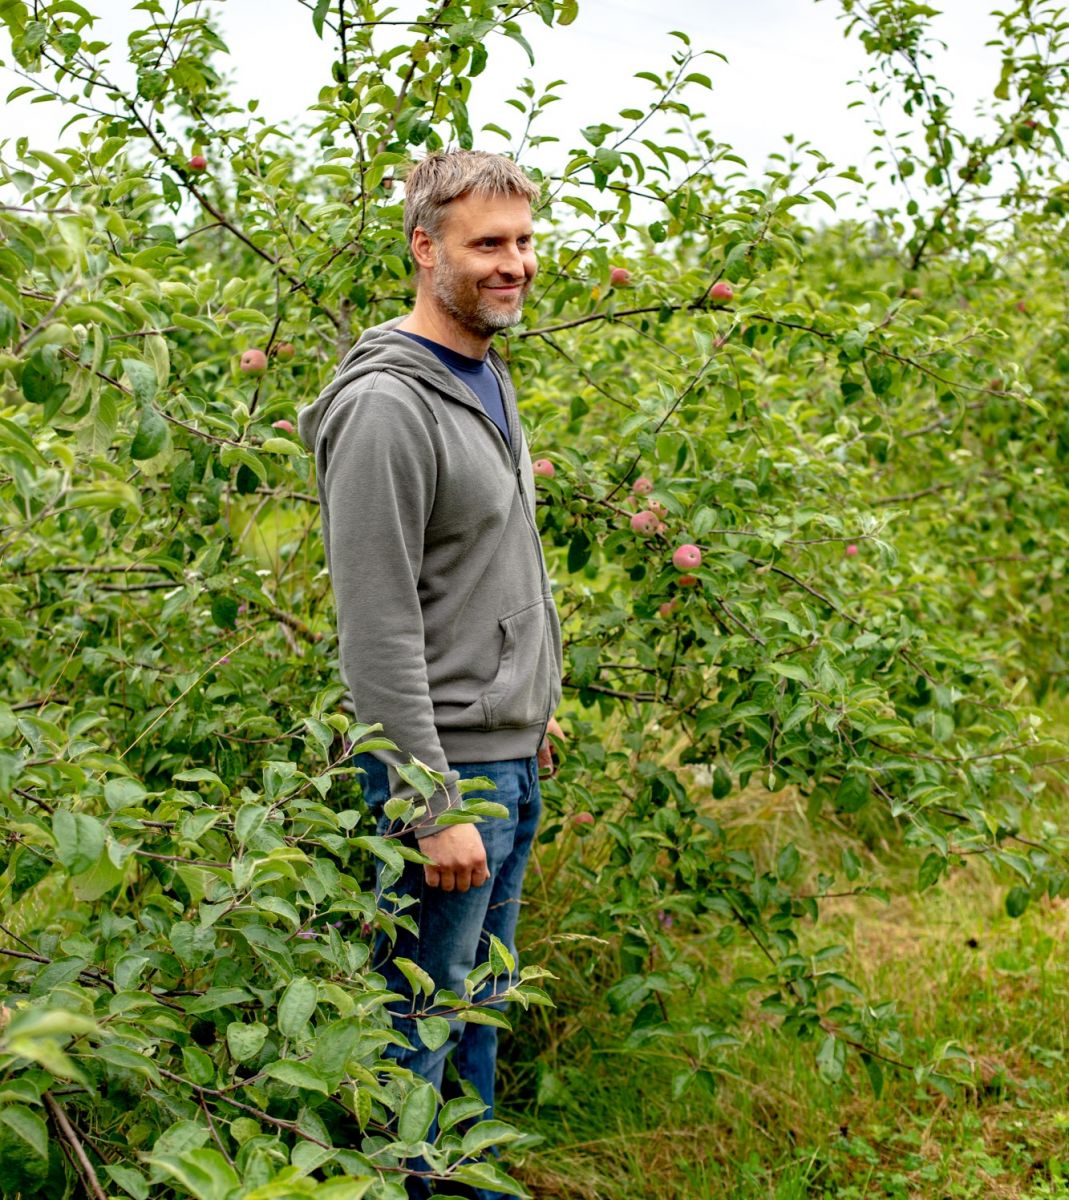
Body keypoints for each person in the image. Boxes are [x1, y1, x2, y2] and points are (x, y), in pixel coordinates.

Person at [298, 149, 563, 1198]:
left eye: (524, 242)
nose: (514, 266)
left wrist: (529, 705)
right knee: (413, 1034)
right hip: (445, 782)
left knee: (470, 1027)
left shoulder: (484, 371)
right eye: (486, 244)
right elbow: (376, 628)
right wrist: (428, 800)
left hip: (504, 760)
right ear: (424, 249)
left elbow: (486, 570)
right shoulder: (386, 408)